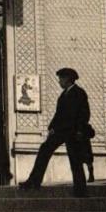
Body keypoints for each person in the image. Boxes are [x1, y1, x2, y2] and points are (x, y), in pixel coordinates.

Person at [19, 68, 90, 197]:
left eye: (61, 78)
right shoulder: (63, 95)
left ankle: (80, 190)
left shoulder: (79, 93)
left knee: (75, 160)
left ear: (67, 79)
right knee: (45, 149)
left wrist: (80, 130)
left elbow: (84, 114)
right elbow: (58, 114)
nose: (59, 81)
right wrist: (52, 127)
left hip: (73, 132)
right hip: (61, 131)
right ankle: (34, 181)